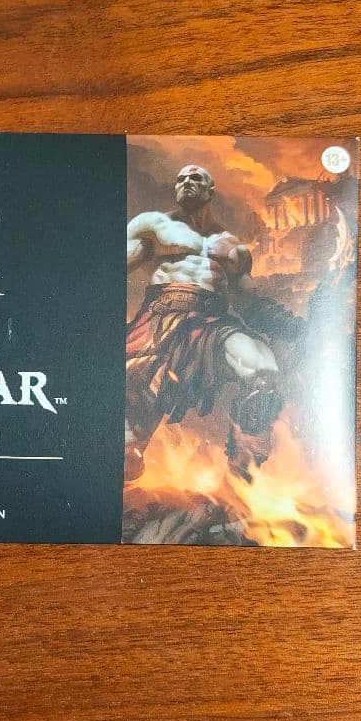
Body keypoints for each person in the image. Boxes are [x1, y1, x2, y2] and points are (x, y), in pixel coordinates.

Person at [125, 163, 282, 482]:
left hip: (211, 320)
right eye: (181, 179)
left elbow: (250, 304)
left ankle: (243, 446)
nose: (187, 182)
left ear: (210, 191)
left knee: (263, 368)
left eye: (196, 178)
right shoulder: (153, 226)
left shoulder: (232, 248)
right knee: (126, 436)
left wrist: (290, 326)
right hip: (160, 317)